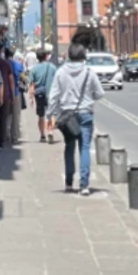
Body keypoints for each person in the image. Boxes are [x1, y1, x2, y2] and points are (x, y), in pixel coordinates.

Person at [47, 40, 104, 195]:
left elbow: (53, 95)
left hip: (67, 115)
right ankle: (84, 185)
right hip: (85, 113)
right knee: (84, 148)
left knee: (69, 146)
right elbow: (100, 93)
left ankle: (68, 182)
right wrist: (89, 97)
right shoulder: (89, 72)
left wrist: (49, 114)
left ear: (69, 55)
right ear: (83, 56)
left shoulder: (60, 72)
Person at [0, 40, 16, 148]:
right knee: (2, 119)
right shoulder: (5, 63)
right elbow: (11, 80)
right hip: (5, 94)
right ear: (1, 51)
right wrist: (12, 95)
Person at [30, 46, 56, 142]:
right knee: (51, 114)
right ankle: (50, 131)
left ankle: (42, 135)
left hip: (39, 94)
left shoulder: (34, 69)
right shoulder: (52, 67)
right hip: (51, 93)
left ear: (37, 57)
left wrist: (31, 98)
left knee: (41, 116)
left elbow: (31, 84)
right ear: (46, 56)